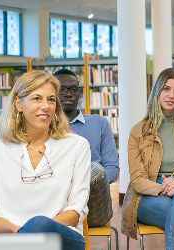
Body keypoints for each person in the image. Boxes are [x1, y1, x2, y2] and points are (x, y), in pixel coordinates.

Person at [0, 70, 90, 250]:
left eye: (51, 99)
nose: (46, 106)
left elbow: (76, 211)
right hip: (11, 240)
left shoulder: (77, 146)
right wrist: (22, 235)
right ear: (18, 104)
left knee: (39, 224)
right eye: (37, 98)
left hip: (62, 237)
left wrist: (37, 233)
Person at [122, 68, 174, 250]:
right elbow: (137, 180)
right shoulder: (138, 131)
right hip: (151, 196)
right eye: (166, 89)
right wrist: (164, 188)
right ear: (157, 91)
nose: (171, 95)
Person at [53, 68, 118, 226]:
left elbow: (112, 169)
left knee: (95, 168)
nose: (68, 93)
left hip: (93, 205)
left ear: (79, 93)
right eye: (62, 89)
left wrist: (79, 185)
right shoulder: (44, 126)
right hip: (56, 204)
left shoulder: (99, 123)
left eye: (74, 89)